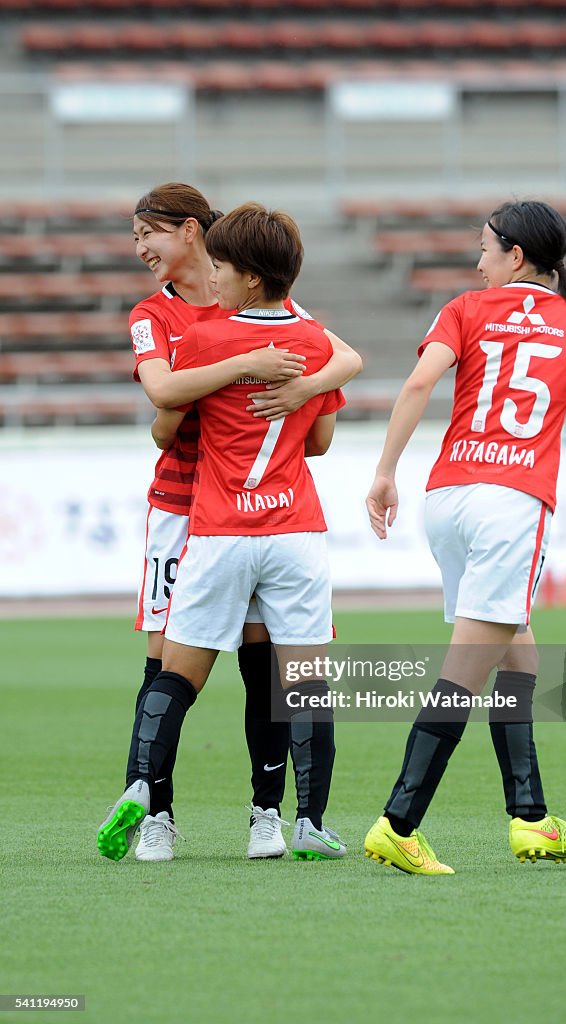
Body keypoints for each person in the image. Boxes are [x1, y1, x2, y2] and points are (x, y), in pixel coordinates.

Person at [363, 200, 566, 875]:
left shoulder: (463, 308)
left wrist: (384, 471)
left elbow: (420, 382)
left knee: (518, 663)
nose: (477, 259)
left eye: (484, 247)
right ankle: (398, 823)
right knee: (463, 674)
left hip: (446, 499)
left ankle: (529, 817)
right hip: (510, 505)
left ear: (515, 255)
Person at [98, 202, 347, 864]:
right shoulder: (314, 340)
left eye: (227, 265)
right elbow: (320, 438)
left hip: (216, 527)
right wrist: (300, 392)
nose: (218, 272)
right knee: (300, 681)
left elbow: (163, 421)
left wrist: (219, 389)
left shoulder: (203, 338)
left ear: (247, 276)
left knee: (173, 674)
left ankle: (144, 794)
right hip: (295, 528)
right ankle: (304, 821)